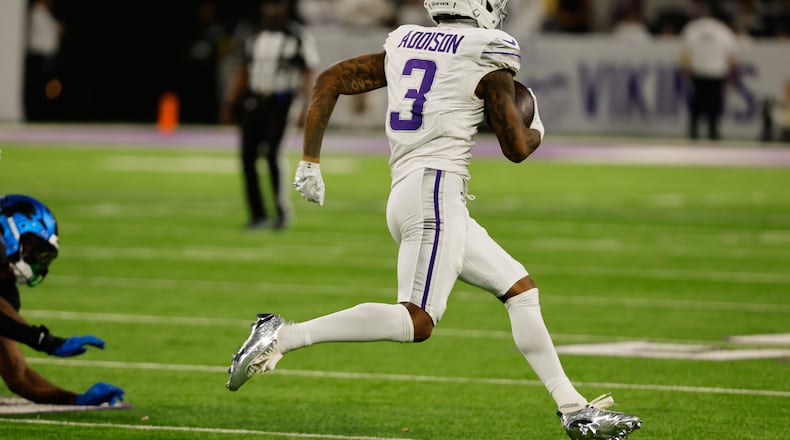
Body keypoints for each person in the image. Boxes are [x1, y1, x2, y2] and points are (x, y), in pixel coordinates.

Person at [226, 1, 642, 439]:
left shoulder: (406, 42)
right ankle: (282, 335)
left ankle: (574, 409)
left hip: (414, 191)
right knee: (416, 320)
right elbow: (516, 148)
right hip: (435, 194)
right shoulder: (486, 51)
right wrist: (537, 125)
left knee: (519, 290)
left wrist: (310, 159)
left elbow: (331, 78)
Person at [0, 194, 125, 406]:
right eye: (33, 247)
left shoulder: (6, 293)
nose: (38, 259)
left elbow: (16, 373)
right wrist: (47, 342)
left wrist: (75, 399)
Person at [220, 0, 319, 230]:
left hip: (282, 101)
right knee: (247, 157)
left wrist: (307, 103)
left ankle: (281, 211)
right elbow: (244, 70)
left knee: (274, 154)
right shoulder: (252, 34)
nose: (271, 10)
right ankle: (257, 214)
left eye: (276, 5)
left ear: (284, 7)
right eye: (268, 5)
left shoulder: (297, 35)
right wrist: (230, 101)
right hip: (255, 100)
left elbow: (307, 70)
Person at [680, 0, 738, 141]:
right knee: (713, 104)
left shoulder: (692, 28)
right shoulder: (723, 30)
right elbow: (732, 56)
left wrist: (686, 71)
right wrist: (730, 75)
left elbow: (685, 54)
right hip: (715, 72)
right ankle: (712, 132)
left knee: (698, 103)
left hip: (699, 71)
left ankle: (695, 131)